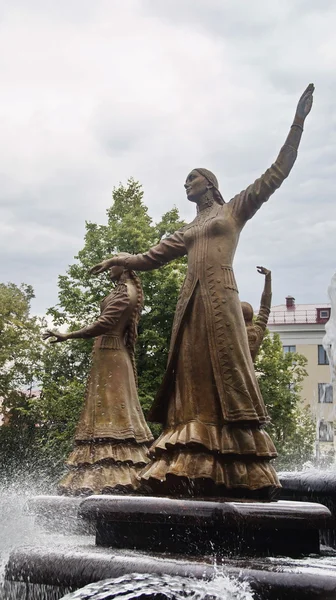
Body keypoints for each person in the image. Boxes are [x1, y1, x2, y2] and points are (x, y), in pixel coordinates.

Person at [90, 84, 314, 499]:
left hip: (222, 300)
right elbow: (150, 256)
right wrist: (119, 256)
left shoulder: (234, 210)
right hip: (190, 304)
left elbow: (276, 174)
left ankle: (238, 458)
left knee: (228, 371)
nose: (186, 185)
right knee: (190, 376)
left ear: (209, 184)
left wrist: (297, 124)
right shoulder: (188, 230)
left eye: (191, 179)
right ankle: (191, 451)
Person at [43, 264, 153, 495]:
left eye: (111, 265)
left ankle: (112, 473)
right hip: (108, 355)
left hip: (111, 355)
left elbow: (104, 323)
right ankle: (104, 470)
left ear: (123, 266)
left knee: (111, 411)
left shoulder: (125, 292)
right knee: (108, 410)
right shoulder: (124, 289)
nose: (108, 269)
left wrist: (68, 335)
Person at [241, 266, 272, 362]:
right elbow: (265, 307)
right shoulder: (258, 331)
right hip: (250, 375)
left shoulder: (235, 335)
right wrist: (268, 278)